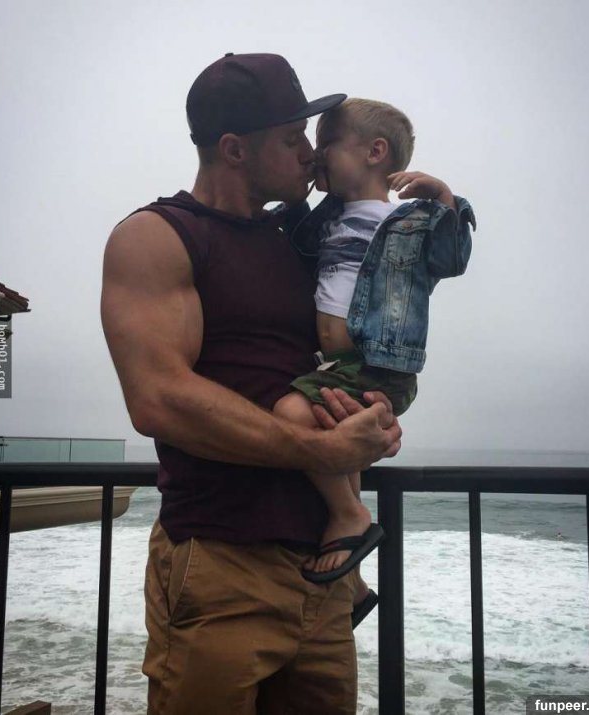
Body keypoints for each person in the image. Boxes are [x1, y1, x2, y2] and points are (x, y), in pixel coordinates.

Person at [100, 52, 402, 715]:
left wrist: (369, 413)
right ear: (235, 149)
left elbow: (348, 344)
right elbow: (158, 398)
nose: (308, 154)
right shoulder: (159, 236)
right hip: (221, 562)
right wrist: (323, 450)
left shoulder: (302, 238)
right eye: (292, 139)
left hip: (326, 573)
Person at [272, 100, 476, 600]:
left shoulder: (408, 221)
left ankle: (349, 515)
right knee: (342, 450)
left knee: (290, 413)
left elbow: (453, 259)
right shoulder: (331, 220)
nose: (317, 154)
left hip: (377, 363)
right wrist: (306, 187)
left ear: (374, 152)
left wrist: (445, 199)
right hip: (338, 364)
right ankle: (354, 584)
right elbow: (289, 234)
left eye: (328, 145)